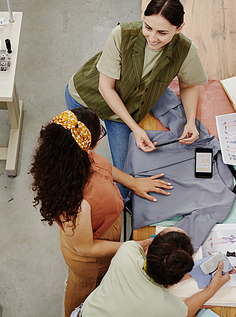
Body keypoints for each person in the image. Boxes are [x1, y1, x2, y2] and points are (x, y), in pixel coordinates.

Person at [30, 108, 173, 317]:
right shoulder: (76, 204)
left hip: (103, 229)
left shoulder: (77, 157)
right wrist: (132, 246)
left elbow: (105, 167)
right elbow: (86, 248)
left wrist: (133, 182)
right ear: (87, 143)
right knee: (84, 296)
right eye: (101, 134)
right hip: (90, 258)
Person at [64, 0, 207, 196]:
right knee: (80, 154)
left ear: (179, 28)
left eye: (162, 32)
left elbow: (190, 85)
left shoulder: (185, 50)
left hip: (125, 107)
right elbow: (106, 88)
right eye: (148, 27)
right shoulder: (121, 34)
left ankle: (123, 205)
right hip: (87, 96)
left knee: (127, 177)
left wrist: (190, 121)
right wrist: (135, 128)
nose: (152, 38)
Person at [70, 227, 233, 317]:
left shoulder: (127, 251)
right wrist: (213, 288)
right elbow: (187, 311)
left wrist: (158, 242)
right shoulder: (170, 309)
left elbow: (138, 246)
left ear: (149, 250)